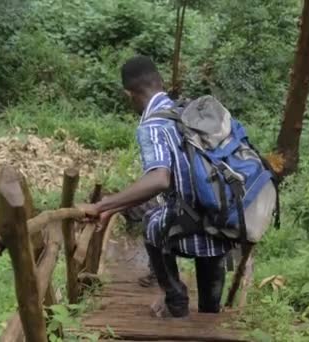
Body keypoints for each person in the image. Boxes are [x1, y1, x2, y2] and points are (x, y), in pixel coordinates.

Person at [78, 55, 234, 318]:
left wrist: (102, 205)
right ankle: (209, 316)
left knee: (152, 222)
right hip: (221, 220)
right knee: (210, 315)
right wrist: (113, 208)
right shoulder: (185, 112)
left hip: (190, 222)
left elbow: (159, 179)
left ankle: (176, 301)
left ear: (129, 94)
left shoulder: (152, 125)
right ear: (160, 82)